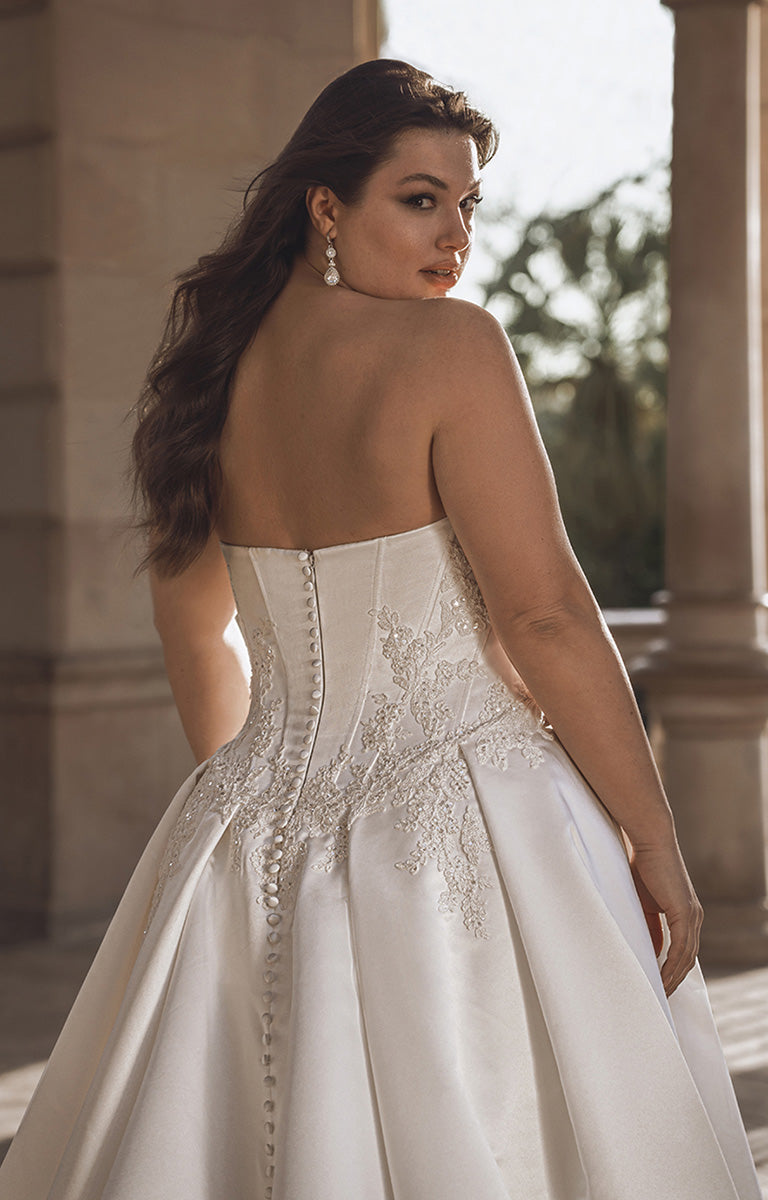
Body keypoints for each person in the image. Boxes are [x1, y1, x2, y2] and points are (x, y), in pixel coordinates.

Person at [0, 58, 761, 1200]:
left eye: (468, 204)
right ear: (327, 206)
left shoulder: (214, 373)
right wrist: (654, 843)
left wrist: (252, 791)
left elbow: (192, 620)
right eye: (419, 199)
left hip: (243, 823)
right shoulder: (453, 349)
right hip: (466, 811)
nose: (454, 235)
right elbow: (545, 611)